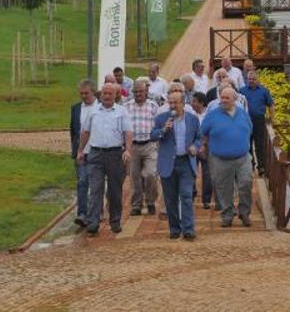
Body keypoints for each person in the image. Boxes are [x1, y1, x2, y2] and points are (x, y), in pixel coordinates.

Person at [77, 83, 133, 235]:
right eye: (105, 93)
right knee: (95, 189)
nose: (107, 96)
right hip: (96, 154)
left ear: (116, 95)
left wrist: (128, 150)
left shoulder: (122, 111)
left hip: (115, 154)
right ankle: (93, 222)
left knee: (114, 190)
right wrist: (80, 150)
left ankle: (115, 220)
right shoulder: (93, 111)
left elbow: (128, 132)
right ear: (100, 95)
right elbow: (86, 132)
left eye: (110, 94)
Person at [200, 87, 253, 227]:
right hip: (220, 158)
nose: (223, 100)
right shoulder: (212, 115)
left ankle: (244, 213)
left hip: (242, 157)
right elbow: (203, 133)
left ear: (235, 100)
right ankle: (227, 215)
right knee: (224, 189)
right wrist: (204, 147)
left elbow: (250, 128)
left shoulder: (242, 113)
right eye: (221, 97)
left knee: (246, 183)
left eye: (226, 98)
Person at [151, 91, 201, 241]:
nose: (172, 106)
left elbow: (199, 137)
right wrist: (163, 130)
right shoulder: (161, 118)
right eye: (170, 103)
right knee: (170, 198)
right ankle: (174, 228)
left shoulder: (192, 119)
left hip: (186, 162)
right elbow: (153, 135)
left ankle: (188, 229)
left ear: (183, 103)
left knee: (186, 195)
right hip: (168, 163)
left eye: (175, 103)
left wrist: (195, 146)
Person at [124, 81, 160, 216]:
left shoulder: (153, 106)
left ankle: (150, 201)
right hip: (133, 146)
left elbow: (158, 125)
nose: (138, 94)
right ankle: (136, 205)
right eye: (135, 92)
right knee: (134, 177)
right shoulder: (126, 107)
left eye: (140, 91)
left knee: (150, 174)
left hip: (149, 145)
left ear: (146, 92)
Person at [70, 79, 98, 227]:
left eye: (86, 93)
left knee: (96, 184)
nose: (83, 96)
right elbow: (73, 132)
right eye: (81, 93)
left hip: (97, 152)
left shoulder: (100, 107)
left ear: (93, 92)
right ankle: (82, 213)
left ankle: (95, 212)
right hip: (81, 153)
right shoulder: (75, 109)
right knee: (82, 182)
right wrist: (75, 152)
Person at [240, 71, 274, 176]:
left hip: (259, 120)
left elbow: (270, 105)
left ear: (257, 80)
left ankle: (261, 167)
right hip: (245, 120)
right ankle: (250, 165)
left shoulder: (264, 91)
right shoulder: (242, 91)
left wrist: (271, 118)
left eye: (253, 79)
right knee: (247, 143)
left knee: (260, 144)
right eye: (249, 79)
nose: (251, 81)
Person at [191, 92, 217, 210]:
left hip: (207, 147)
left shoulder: (210, 114)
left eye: (195, 101)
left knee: (208, 174)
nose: (192, 104)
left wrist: (204, 145)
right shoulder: (190, 115)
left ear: (201, 103)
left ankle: (206, 200)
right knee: (191, 172)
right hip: (193, 147)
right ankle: (191, 195)